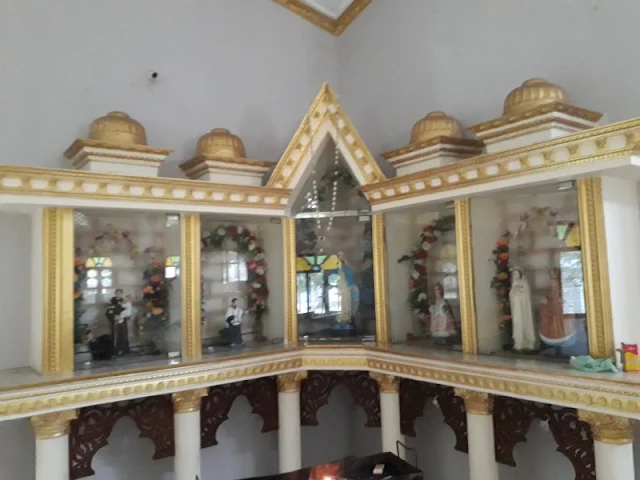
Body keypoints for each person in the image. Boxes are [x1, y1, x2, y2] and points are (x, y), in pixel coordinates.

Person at [509, 266, 536, 351]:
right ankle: (518, 342)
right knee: (517, 323)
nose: (515, 276)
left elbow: (527, 295)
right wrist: (514, 292)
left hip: (523, 308)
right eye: (514, 274)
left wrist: (520, 292)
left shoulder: (524, 283)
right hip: (517, 309)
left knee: (525, 323)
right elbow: (511, 295)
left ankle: (528, 342)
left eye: (517, 274)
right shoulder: (514, 283)